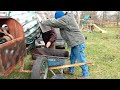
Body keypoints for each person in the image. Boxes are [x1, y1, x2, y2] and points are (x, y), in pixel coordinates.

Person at [41, 11, 89, 79]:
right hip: (74, 42)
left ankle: (85, 75)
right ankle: (71, 70)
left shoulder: (66, 19)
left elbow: (54, 22)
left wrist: (43, 21)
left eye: (58, 19)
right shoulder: (66, 18)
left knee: (81, 58)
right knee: (72, 58)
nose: (58, 20)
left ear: (60, 17)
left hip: (78, 42)